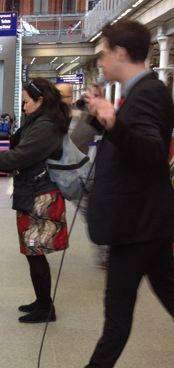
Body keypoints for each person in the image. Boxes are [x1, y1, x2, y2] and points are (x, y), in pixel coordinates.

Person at [55, 18, 174, 368]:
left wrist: (113, 121)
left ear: (121, 53)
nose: (100, 60)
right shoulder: (135, 92)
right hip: (148, 221)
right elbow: (88, 144)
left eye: (104, 52)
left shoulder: (150, 93)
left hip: (136, 225)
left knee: (117, 315)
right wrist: (101, 113)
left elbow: (153, 151)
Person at [0, 78, 70, 323]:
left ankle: (46, 308)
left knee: (35, 250)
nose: (24, 107)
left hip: (41, 194)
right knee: (33, 251)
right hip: (33, 191)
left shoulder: (46, 126)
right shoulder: (39, 121)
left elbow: (19, 157)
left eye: (27, 102)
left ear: (40, 101)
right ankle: (42, 301)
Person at [56, 81, 109, 269]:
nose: (61, 100)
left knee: (91, 213)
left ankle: (105, 252)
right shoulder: (47, 119)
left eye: (64, 96)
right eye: (57, 95)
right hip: (51, 174)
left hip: (77, 177)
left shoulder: (85, 119)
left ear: (71, 98)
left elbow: (108, 131)